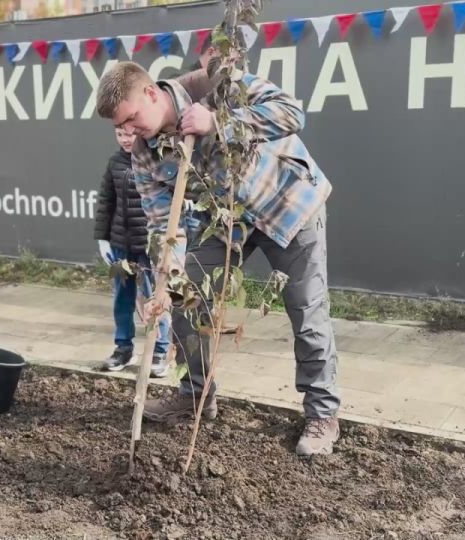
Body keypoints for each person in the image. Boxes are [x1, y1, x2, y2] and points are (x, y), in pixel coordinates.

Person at [95, 54, 341, 456]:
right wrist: (165, 277)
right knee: (186, 295)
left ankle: (322, 413)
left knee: (307, 310)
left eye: (132, 118)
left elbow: (292, 112)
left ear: (152, 93)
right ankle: (196, 395)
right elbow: (162, 222)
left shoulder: (214, 84)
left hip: (289, 202)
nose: (128, 130)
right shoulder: (144, 150)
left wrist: (219, 122)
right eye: (120, 126)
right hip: (226, 220)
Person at [94, 127, 172, 377]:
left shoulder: (155, 159)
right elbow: (106, 201)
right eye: (119, 134)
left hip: (148, 246)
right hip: (120, 245)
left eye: (129, 134)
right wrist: (103, 238)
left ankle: (160, 349)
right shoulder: (115, 162)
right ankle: (124, 348)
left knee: (155, 299)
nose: (125, 139)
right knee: (122, 299)